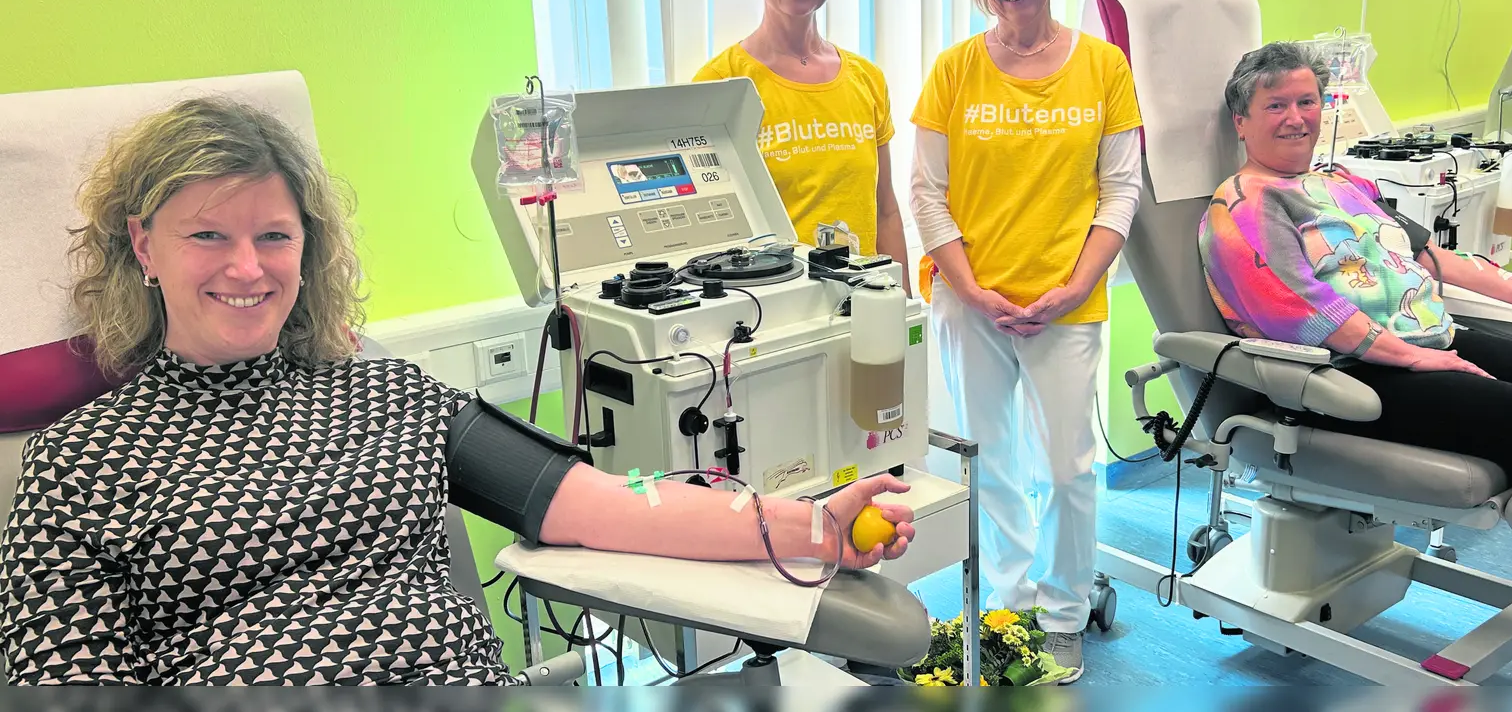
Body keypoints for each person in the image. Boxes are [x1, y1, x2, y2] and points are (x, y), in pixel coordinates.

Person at [0, 98, 917, 685]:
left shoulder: (387, 395)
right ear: (144, 245)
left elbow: (597, 502)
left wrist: (808, 528)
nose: (248, 268)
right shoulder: (80, 463)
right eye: (208, 237)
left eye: (274, 236)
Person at [907, 0, 1143, 683]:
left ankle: (1066, 613)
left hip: (1068, 303)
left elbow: (1120, 191)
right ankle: (1006, 611)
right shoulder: (954, 70)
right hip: (971, 302)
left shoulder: (1103, 67)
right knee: (992, 465)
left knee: (1071, 470)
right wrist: (970, 290)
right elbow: (927, 194)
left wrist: (1076, 286)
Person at [1200, 41, 1512, 505]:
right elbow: (1301, 309)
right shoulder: (1243, 206)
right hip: (1350, 374)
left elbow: (1431, 257)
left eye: (1307, 101)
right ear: (1241, 122)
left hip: (1429, 340)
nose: (1296, 117)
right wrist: (1412, 358)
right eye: (1276, 105)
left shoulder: (1343, 183)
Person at [694, 0, 910, 293]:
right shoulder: (720, 86)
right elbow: (711, 234)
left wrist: (902, 307)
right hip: (768, 317)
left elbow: (885, 211)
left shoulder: (867, 79)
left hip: (864, 306)